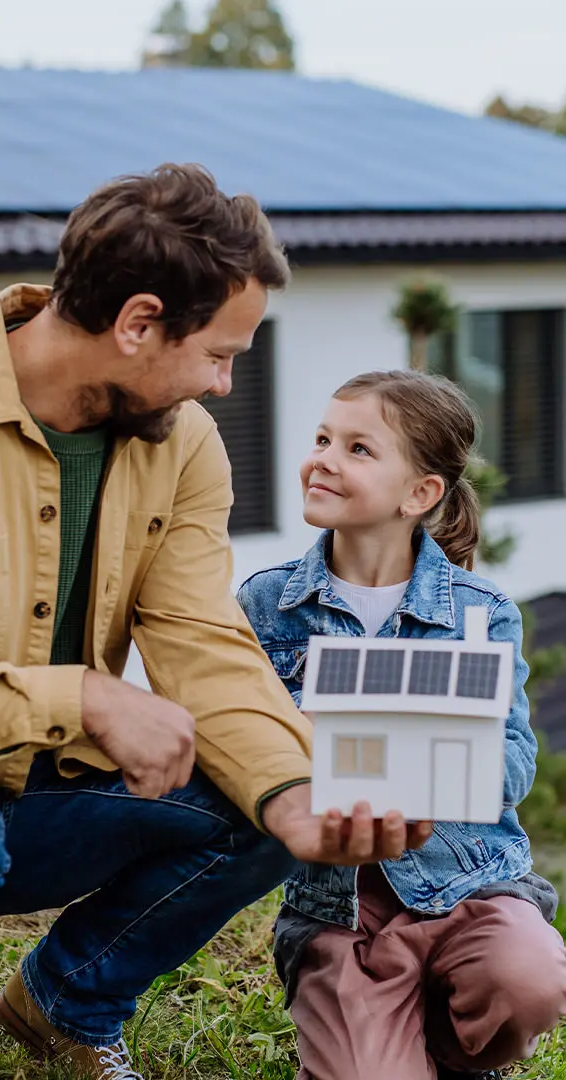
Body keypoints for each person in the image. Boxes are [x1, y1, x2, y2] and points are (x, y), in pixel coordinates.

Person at [0, 166, 429, 1080]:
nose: (227, 385)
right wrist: (83, 695)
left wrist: (293, 794)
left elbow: (204, 645)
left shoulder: (183, 444)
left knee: (268, 784)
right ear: (138, 323)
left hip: (55, 793)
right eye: (219, 353)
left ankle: (66, 1000)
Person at [238, 369, 566, 1080]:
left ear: (420, 495)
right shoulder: (266, 605)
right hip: (344, 911)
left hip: (471, 888)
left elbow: (514, 761)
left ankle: (452, 1055)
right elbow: (244, 744)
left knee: (530, 980)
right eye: (323, 438)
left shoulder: (480, 611)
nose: (323, 457)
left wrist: (422, 764)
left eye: (358, 448)